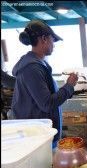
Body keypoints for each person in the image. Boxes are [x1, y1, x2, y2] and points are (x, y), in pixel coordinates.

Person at [11, 20, 78, 149]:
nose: (54, 44)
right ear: (44, 39)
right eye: (52, 40)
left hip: (40, 135)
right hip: (36, 139)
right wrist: (69, 86)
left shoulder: (38, 64)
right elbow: (47, 104)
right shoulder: (32, 68)